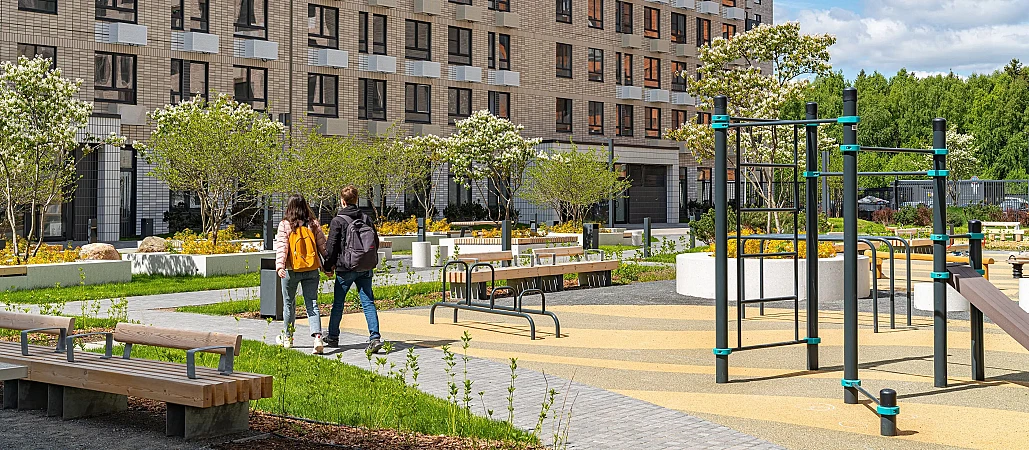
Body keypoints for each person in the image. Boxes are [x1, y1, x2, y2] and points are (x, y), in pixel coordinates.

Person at [323, 185, 383, 354]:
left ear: (342, 201)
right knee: (368, 302)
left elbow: (331, 247)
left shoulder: (338, 221)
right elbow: (375, 242)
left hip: (345, 268)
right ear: (356, 200)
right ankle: (375, 338)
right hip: (365, 266)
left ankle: (333, 336)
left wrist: (328, 267)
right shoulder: (366, 218)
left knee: (338, 303)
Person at [274, 194, 327, 354]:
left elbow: (282, 247)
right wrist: (328, 265)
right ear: (305, 206)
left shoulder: (285, 225)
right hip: (311, 268)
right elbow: (323, 246)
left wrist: (280, 266)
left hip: (291, 270)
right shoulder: (313, 224)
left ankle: (288, 338)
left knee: (288, 304)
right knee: (312, 303)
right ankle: (318, 337)